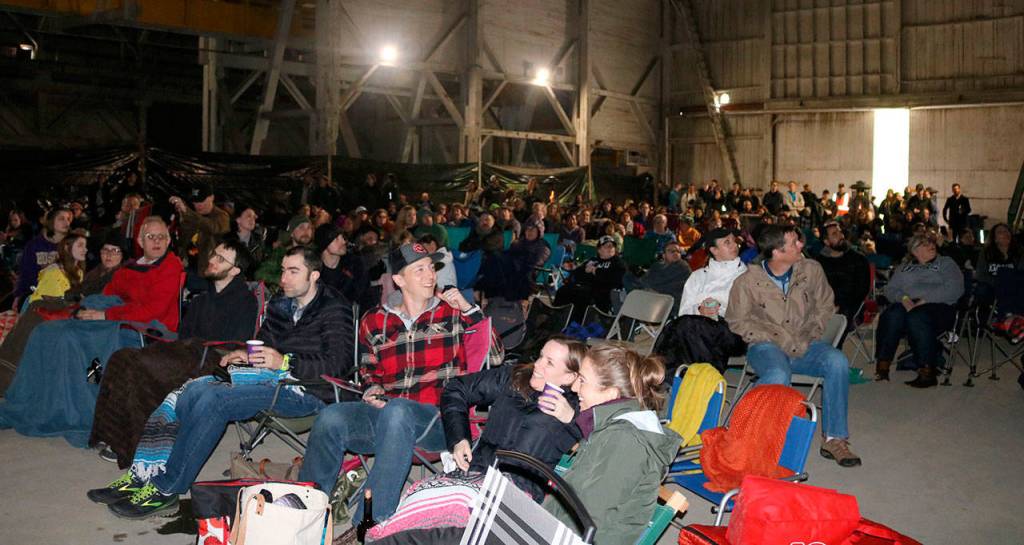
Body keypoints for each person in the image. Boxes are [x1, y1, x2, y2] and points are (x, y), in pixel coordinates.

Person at [88, 245, 355, 518]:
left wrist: (284, 362)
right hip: (269, 379)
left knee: (216, 399)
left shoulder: (334, 308)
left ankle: (166, 489)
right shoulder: (280, 304)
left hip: (306, 390)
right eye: (284, 270)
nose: (284, 278)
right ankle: (144, 473)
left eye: (293, 271)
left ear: (314, 276)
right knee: (191, 390)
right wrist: (244, 355)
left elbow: (339, 365)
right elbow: (264, 345)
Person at [298, 243, 503, 525]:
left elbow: (496, 356)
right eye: (419, 269)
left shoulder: (452, 313)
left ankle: (370, 526)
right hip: (388, 417)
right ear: (398, 280)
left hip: (438, 421)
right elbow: (369, 369)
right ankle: (304, 510)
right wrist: (372, 389)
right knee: (331, 416)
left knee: (398, 411)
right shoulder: (374, 321)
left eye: (431, 267)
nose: (430, 275)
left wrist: (469, 309)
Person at [0, 217, 183, 447]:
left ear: (168, 240)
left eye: (162, 237)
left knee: (72, 340)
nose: (157, 241)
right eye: (151, 236)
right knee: (45, 332)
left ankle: (81, 406)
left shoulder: (170, 266)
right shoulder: (132, 267)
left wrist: (105, 314)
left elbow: (152, 310)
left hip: (144, 330)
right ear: (139, 240)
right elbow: (109, 292)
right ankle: (35, 400)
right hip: (117, 318)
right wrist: (95, 308)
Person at [89, 240, 258, 466]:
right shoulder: (201, 300)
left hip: (213, 361)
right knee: (123, 357)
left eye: (221, 258)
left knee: (140, 366)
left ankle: (133, 445)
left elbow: (233, 345)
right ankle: (111, 433)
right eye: (214, 254)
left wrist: (193, 347)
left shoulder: (244, 301)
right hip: (187, 353)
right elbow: (183, 335)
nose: (212, 260)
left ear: (236, 270)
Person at [726, 224, 861, 467]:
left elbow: (826, 306)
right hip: (765, 345)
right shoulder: (747, 282)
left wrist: (810, 333)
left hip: (805, 342)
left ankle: (834, 438)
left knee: (837, 361)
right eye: (793, 243)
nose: (801, 245)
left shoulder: (811, 270)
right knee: (778, 372)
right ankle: (751, 434)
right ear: (776, 253)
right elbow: (737, 321)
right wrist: (779, 337)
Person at [542, 343, 680, 545]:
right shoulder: (606, 426)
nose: (573, 387)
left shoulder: (626, 442)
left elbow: (588, 519)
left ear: (611, 393)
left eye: (582, 380)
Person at [441, 336, 585, 501]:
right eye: (540, 356)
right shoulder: (514, 376)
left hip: (517, 493)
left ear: (569, 377)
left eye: (549, 363)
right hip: (476, 472)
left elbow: (596, 447)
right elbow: (456, 388)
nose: (537, 364)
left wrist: (572, 419)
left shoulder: (576, 405)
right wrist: (459, 438)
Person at [874, 234, 964, 387]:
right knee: (892, 314)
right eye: (924, 243)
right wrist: (903, 299)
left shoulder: (946, 263)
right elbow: (890, 289)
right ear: (914, 251)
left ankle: (927, 371)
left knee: (917, 316)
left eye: (931, 242)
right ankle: (883, 365)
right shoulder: (904, 268)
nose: (931, 245)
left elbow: (955, 288)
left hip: (939, 305)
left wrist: (925, 299)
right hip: (909, 303)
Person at [654, 229, 747, 374]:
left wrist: (718, 311)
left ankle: (663, 376)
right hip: (698, 328)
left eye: (733, 241)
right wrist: (699, 310)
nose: (734, 245)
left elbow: (747, 312)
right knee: (676, 327)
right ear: (714, 250)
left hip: (733, 332)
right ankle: (667, 376)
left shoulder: (746, 276)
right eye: (727, 242)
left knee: (687, 328)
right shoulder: (697, 277)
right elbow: (684, 312)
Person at [815, 223, 871, 346]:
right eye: (834, 234)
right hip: (823, 304)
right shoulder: (818, 262)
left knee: (841, 315)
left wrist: (837, 305)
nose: (841, 236)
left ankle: (832, 350)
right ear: (826, 241)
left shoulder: (858, 260)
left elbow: (861, 290)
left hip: (850, 306)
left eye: (840, 232)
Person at [554, 236, 626, 321]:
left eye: (612, 246)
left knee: (582, 296)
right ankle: (556, 319)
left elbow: (616, 280)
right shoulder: (593, 260)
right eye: (607, 246)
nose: (610, 248)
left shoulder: (618, 263)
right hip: (585, 288)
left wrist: (596, 271)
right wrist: (585, 271)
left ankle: (575, 324)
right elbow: (576, 274)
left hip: (603, 293)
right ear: (599, 250)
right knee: (563, 290)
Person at [14, 206, 71, 309]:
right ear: (50, 221)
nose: (66, 222)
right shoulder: (34, 245)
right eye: (61, 218)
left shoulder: (72, 245)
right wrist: (18, 295)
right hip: (36, 293)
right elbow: (25, 273)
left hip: (63, 294)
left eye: (68, 219)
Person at [169, 184, 230, 273]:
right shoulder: (191, 215)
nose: (198, 205)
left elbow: (212, 227)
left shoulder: (222, 217)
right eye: (195, 202)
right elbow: (182, 239)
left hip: (209, 271)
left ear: (212, 198)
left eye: (202, 201)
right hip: (187, 267)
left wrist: (187, 211)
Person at [621, 240, 690, 315]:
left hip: (665, 300)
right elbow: (645, 279)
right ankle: (629, 299)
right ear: (664, 255)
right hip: (649, 294)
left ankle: (627, 299)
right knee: (628, 277)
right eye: (671, 251)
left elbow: (675, 287)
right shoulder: (657, 266)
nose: (675, 253)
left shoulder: (683, 268)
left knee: (632, 292)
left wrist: (651, 290)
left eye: (678, 251)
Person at [254, 214, 314, 286]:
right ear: (291, 233)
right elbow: (260, 274)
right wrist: (281, 280)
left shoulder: (315, 254)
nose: (306, 231)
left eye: (309, 228)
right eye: (301, 227)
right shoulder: (281, 253)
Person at [28, 231, 87, 303]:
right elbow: (50, 302)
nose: (85, 250)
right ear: (67, 247)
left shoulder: (79, 272)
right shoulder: (53, 272)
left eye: (85, 246)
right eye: (80, 245)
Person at [315, 225, 367, 305]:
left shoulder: (354, 264)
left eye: (342, 237)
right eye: (336, 239)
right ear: (324, 244)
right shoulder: (313, 268)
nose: (343, 242)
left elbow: (364, 294)